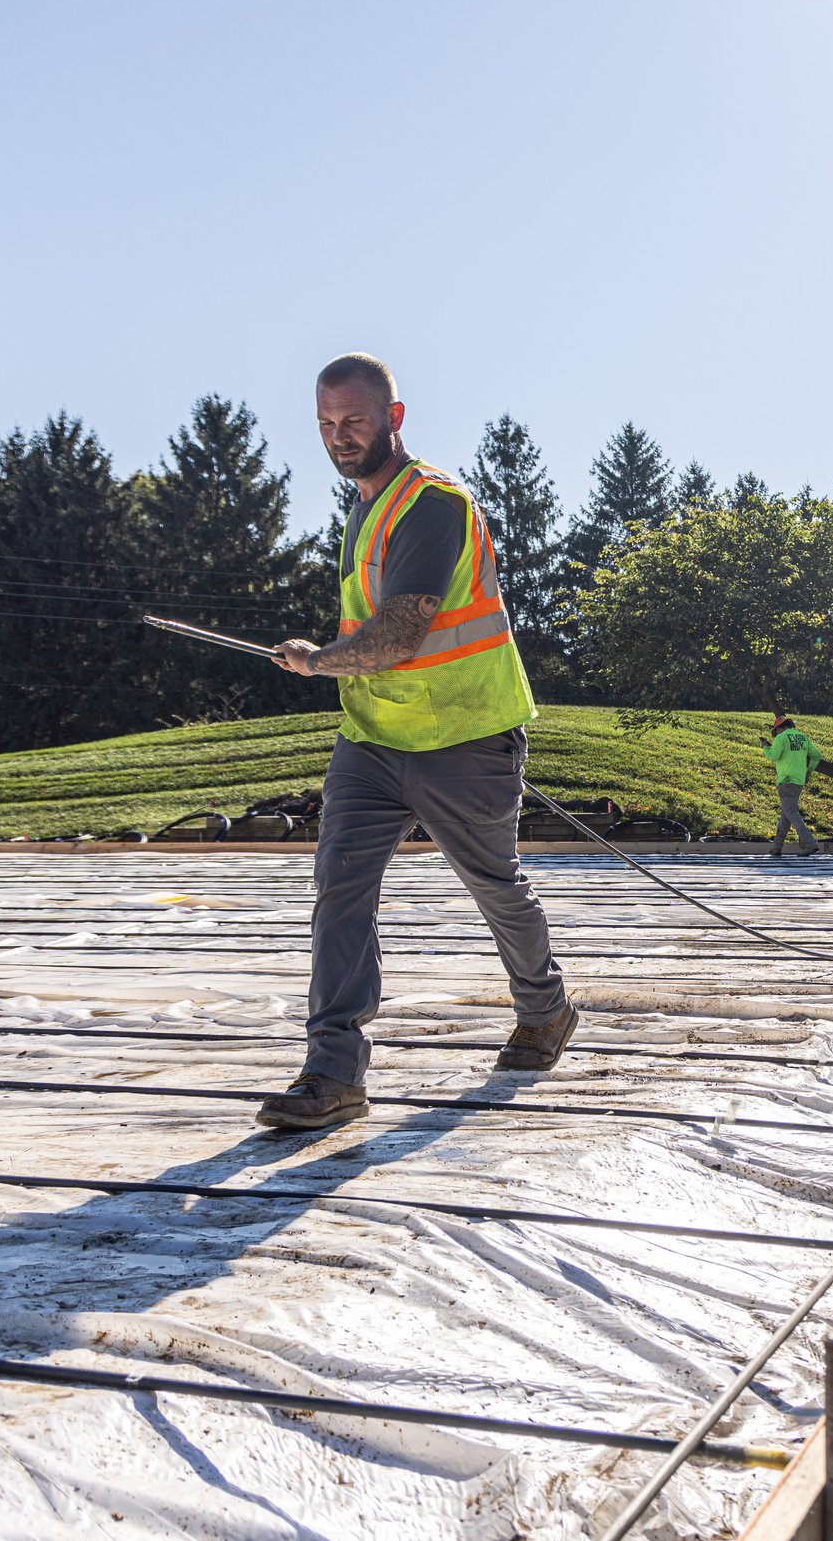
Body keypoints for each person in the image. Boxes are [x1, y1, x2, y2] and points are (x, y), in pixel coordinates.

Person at [256, 352, 574, 1131]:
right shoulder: (362, 508)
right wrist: (330, 664)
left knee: (494, 882)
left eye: (355, 419)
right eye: (327, 423)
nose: (340, 436)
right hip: (372, 738)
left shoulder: (432, 504)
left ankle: (546, 1007)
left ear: (394, 418)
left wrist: (317, 661)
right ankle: (333, 1071)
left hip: (466, 736)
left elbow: (399, 630)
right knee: (340, 887)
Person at [762, 712, 822, 856]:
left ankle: (810, 844)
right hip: (799, 780)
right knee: (786, 815)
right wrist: (808, 772)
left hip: (786, 780)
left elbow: (773, 756)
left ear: (779, 729)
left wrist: (765, 747)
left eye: (775, 730)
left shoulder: (780, 737)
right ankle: (776, 848)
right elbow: (816, 756)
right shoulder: (803, 737)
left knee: (791, 813)